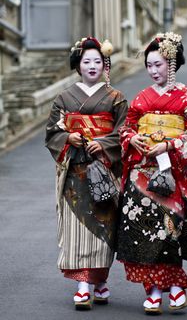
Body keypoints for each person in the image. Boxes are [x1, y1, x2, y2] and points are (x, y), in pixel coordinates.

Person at [116, 32, 187, 314]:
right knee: (142, 233)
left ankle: (174, 287)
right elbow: (127, 128)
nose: (153, 71)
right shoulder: (141, 98)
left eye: (159, 65)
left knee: (167, 233)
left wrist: (168, 145)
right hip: (141, 176)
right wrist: (133, 139)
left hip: (169, 174)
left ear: (172, 64)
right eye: (149, 65)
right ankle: (153, 291)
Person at [45, 37, 128, 309]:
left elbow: (124, 132)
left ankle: (100, 281)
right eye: (86, 61)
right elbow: (52, 132)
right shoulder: (64, 98)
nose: (92, 66)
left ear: (105, 65)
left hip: (104, 169)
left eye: (97, 61)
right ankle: (83, 284)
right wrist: (69, 137)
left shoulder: (115, 98)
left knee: (104, 227)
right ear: (77, 65)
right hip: (74, 171)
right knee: (77, 228)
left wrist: (103, 143)